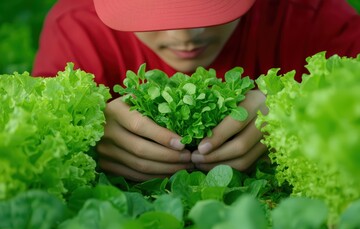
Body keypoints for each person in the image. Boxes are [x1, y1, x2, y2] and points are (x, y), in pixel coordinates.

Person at [32, 0, 360, 181]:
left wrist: (302, 108)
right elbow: (37, 129)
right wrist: (86, 130)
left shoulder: (315, 21)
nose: (185, 35)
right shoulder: (77, 30)